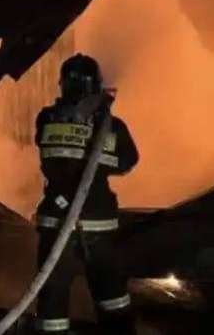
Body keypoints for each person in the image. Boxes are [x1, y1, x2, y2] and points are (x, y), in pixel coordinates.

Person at [33, 54, 138, 335]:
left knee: (52, 305)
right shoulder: (112, 126)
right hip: (98, 226)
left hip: (57, 224)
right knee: (113, 299)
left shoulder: (46, 118)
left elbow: (49, 156)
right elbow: (128, 161)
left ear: (62, 84)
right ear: (97, 85)